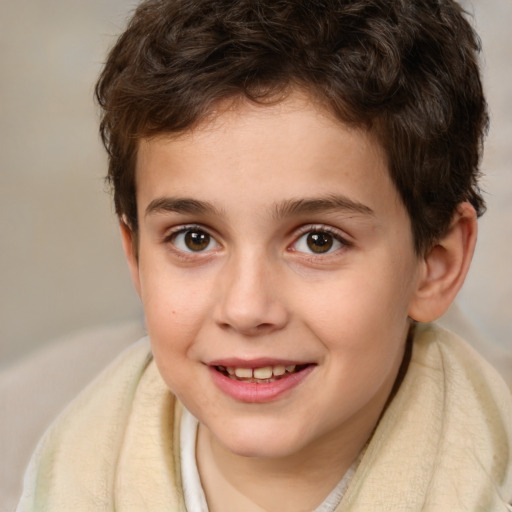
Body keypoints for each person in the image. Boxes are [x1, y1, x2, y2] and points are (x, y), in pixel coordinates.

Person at [16, 0, 512, 510]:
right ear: (138, 259)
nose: (246, 308)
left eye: (319, 240)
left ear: (435, 264)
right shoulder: (61, 473)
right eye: (195, 239)